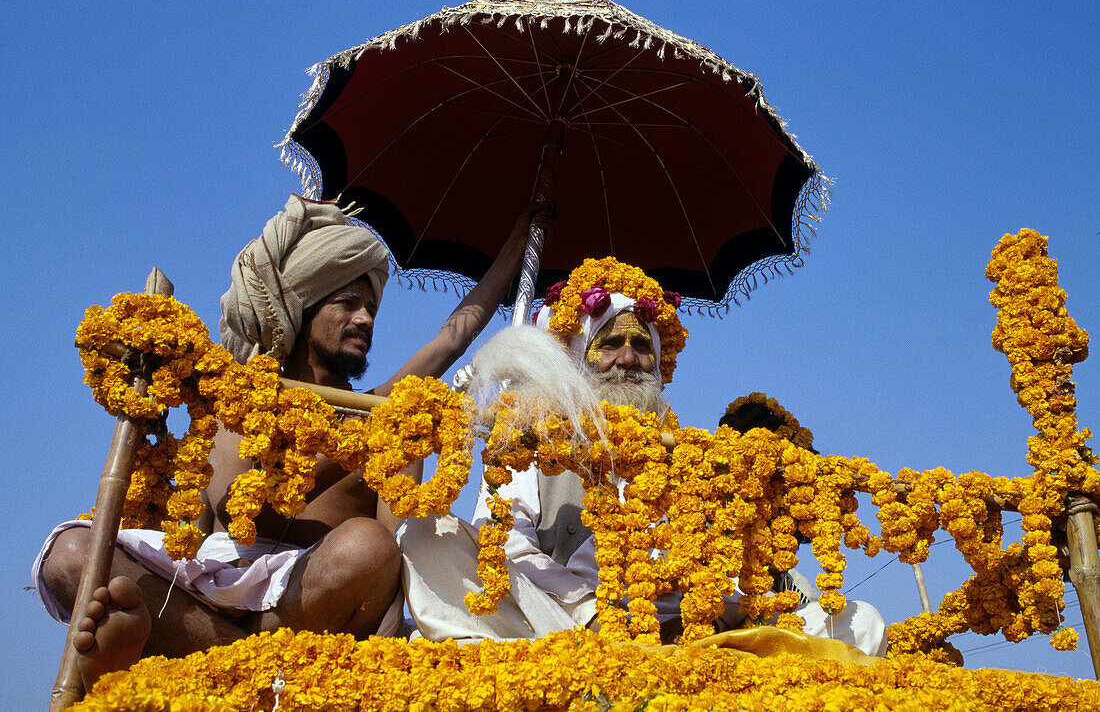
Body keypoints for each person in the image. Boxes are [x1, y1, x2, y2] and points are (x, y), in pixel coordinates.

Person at [33, 193, 552, 693]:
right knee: (69, 554)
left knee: (368, 549)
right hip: (210, 595)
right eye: (348, 303)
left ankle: (192, 655)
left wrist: (518, 244)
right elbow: (217, 527)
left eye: (371, 308)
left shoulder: (384, 414)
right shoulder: (231, 404)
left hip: (310, 609)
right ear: (299, 311)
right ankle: (229, 655)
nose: (366, 320)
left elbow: (450, 340)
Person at [399, 260, 887, 657]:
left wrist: (703, 612)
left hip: (689, 631)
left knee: (859, 622)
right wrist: (593, 613)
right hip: (566, 630)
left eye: (640, 346)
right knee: (428, 537)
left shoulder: (687, 453)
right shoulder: (533, 437)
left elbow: (729, 570)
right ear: (578, 358)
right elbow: (507, 548)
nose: (628, 358)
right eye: (609, 344)